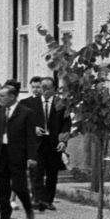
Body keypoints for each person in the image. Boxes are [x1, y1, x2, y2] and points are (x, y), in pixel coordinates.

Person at [0, 79, 42, 219]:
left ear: (12, 97)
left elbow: (31, 137)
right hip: (1, 153)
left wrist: (32, 156)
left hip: (17, 154)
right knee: (2, 189)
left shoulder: (26, 112)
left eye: (2, 96)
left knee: (19, 186)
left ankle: (28, 208)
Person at [33, 76, 71, 210]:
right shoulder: (32, 103)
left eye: (48, 88)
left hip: (53, 142)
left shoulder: (60, 104)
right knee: (37, 172)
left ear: (54, 89)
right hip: (38, 142)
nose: (44, 91)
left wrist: (63, 141)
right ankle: (37, 199)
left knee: (52, 173)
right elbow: (26, 121)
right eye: (42, 88)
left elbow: (66, 123)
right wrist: (34, 129)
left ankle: (48, 200)